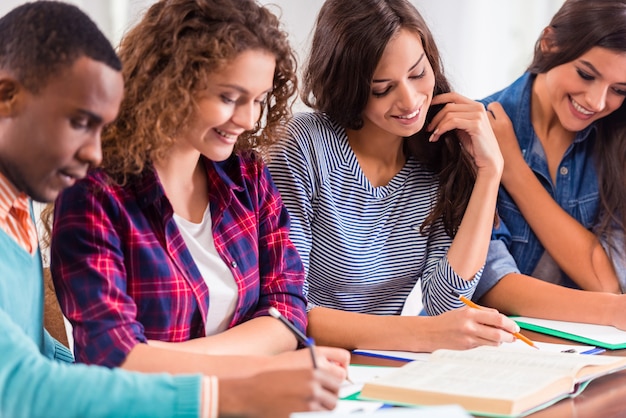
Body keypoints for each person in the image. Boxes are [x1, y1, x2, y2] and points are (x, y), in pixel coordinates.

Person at [0, 2, 345, 417]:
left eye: (260, 100)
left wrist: (159, 363)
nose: (250, 120)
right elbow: (74, 370)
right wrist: (243, 382)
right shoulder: (93, 193)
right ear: (172, 82)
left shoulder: (14, 209)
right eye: (229, 97)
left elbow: (288, 308)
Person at [268, 0, 626, 354]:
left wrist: (490, 173)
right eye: (382, 88)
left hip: (385, 364)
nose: (409, 102)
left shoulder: (442, 149)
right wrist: (424, 333)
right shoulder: (304, 145)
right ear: (348, 84)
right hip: (305, 366)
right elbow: (286, 310)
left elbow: (446, 300)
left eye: (418, 74)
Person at [478, 0, 626, 294]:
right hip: (474, 339)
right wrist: (612, 310)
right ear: (549, 43)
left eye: (620, 90)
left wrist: (516, 172)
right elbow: (490, 288)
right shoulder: (475, 130)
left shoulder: (617, 141)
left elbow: (609, 279)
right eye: (586, 74)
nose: (597, 102)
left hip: (581, 340)